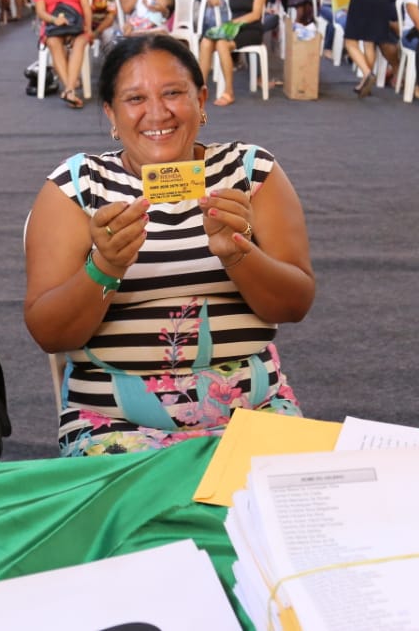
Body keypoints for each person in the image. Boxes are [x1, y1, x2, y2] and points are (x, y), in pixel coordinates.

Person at [23, 34, 314, 455]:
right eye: (135, 98)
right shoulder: (79, 185)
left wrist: (239, 254)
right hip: (114, 423)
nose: (158, 112)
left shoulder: (249, 171)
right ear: (111, 113)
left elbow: (293, 306)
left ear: (201, 99)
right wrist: (104, 267)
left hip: (254, 411)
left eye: (173, 93)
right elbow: (50, 333)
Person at [198, 0, 267, 107]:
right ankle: (201, 88)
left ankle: (229, 91)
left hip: (251, 28)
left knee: (222, 43)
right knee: (206, 42)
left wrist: (231, 23)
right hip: (233, 28)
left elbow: (256, 14)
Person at [33, 0, 92, 109]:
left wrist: (88, 27)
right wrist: (54, 19)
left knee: (80, 42)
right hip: (54, 25)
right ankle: (70, 89)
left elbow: (85, 4)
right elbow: (40, 11)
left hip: (77, 24)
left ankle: (68, 90)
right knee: (53, 42)